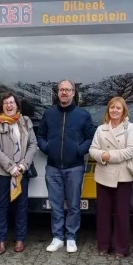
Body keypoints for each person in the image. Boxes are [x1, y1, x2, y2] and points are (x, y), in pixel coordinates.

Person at [37, 80, 95, 253]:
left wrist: (79, 150)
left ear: (73, 92)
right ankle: (57, 237)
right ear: (58, 92)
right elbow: (40, 136)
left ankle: (71, 237)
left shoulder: (83, 115)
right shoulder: (49, 114)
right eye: (61, 89)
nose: (64, 92)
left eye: (67, 90)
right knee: (55, 204)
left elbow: (90, 137)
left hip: (75, 167)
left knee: (74, 204)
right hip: (53, 167)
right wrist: (47, 148)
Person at [0, 92, 37, 255]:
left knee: (21, 207)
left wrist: (23, 165)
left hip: (22, 171)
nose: (9, 105)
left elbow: (32, 144)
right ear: (2, 106)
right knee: (1, 206)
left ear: (17, 105)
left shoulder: (25, 121)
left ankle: (20, 239)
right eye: (6, 103)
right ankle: (1, 240)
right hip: (1, 172)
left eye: (12, 102)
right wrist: (11, 167)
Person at [89, 97, 133, 258]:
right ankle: (103, 245)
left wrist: (109, 156)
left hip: (122, 176)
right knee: (103, 213)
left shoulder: (130, 128)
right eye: (112, 108)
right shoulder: (101, 129)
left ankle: (121, 248)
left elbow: (132, 150)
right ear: (108, 110)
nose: (115, 110)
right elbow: (92, 149)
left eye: (118, 108)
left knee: (122, 214)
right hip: (103, 175)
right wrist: (101, 155)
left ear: (124, 111)